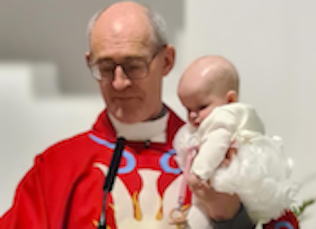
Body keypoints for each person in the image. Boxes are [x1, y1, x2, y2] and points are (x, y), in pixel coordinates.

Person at [0, 2, 299, 229]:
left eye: (133, 65)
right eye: (105, 68)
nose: (119, 82)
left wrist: (232, 218)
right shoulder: (57, 168)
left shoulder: (225, 152)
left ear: (166, 61)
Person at [173, 55, 295, 228]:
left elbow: (216, 144)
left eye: (201, 107)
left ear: (230, 100)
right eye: (188, 109)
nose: (193, 116)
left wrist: (198, 173)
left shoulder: (222, 121)